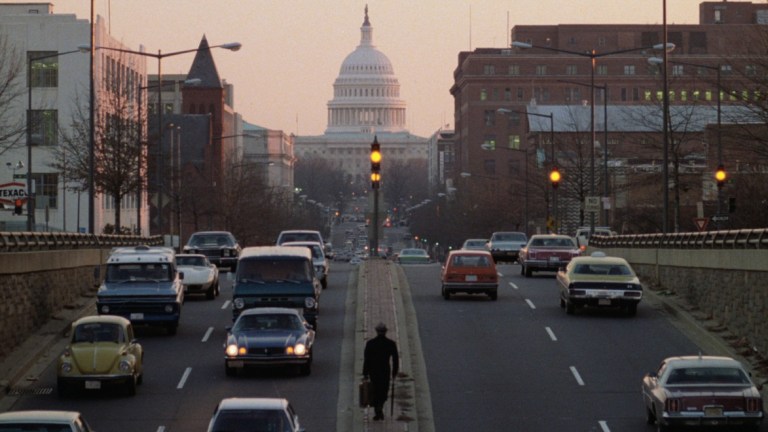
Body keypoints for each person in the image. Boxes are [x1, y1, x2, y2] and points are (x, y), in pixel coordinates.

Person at [363, 322, 399, 421]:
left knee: (375, 390)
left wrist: (365, 373)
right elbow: (395, 359)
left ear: (377, 331)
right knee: (383, 390)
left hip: (373, 371)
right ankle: (380, 408)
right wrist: (395, 372)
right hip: (385, 371)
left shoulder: (370, 344)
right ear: (385, 332)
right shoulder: (390, 344)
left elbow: (367, 359)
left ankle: (377, 410)